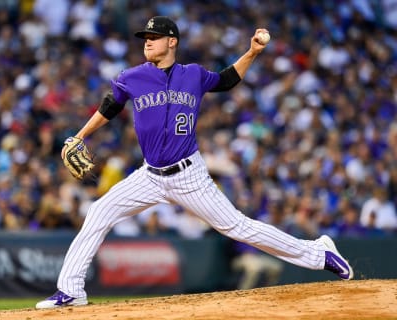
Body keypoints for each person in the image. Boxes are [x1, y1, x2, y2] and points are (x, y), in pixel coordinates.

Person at [36, 16, 354, 309]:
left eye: (154, 37)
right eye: (145, 37)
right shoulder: (132, 77)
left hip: (190, 176)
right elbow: (110, 105)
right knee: (98, 211)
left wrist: (252, 52)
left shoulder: (193, 75)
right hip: (149, 175)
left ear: (172, 41)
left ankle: (318, 252)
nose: (147, 41)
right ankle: (72, 289)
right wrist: (79, 135)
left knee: (238, 227)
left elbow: (228, 79)